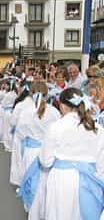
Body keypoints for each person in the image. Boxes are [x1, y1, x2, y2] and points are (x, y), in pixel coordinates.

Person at [39, 88, 104, 220]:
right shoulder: (98, 129)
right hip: (90, 180)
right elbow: (101, 164)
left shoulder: (56, 127)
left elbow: (46, 161)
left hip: (61, 179)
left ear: (62, 105)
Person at [17, 81, 61, 220]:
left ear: (31, 93)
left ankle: (32, 211)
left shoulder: (26, 111)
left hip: (31, 151)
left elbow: (20, 132)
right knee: (45, 185)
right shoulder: (54, 112)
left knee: (32, 183)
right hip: (49, 152)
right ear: (47, 94)